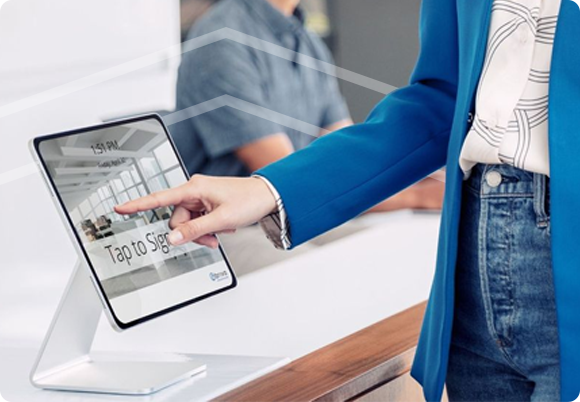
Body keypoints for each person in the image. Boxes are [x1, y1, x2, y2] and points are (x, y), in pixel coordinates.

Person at [116, 0, 580, 400]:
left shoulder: (301, 40)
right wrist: (267, 188)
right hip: (473, 256)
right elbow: (442, 99)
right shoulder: (222, 39)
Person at [170, 0, 444, 274]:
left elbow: (348, 165)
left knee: (392, 253)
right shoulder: (221, 40)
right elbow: (293, 184)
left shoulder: (308, 43)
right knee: (324, 275)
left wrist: (433, 183)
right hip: (230, 231)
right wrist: (421, 197)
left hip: (294, 215)